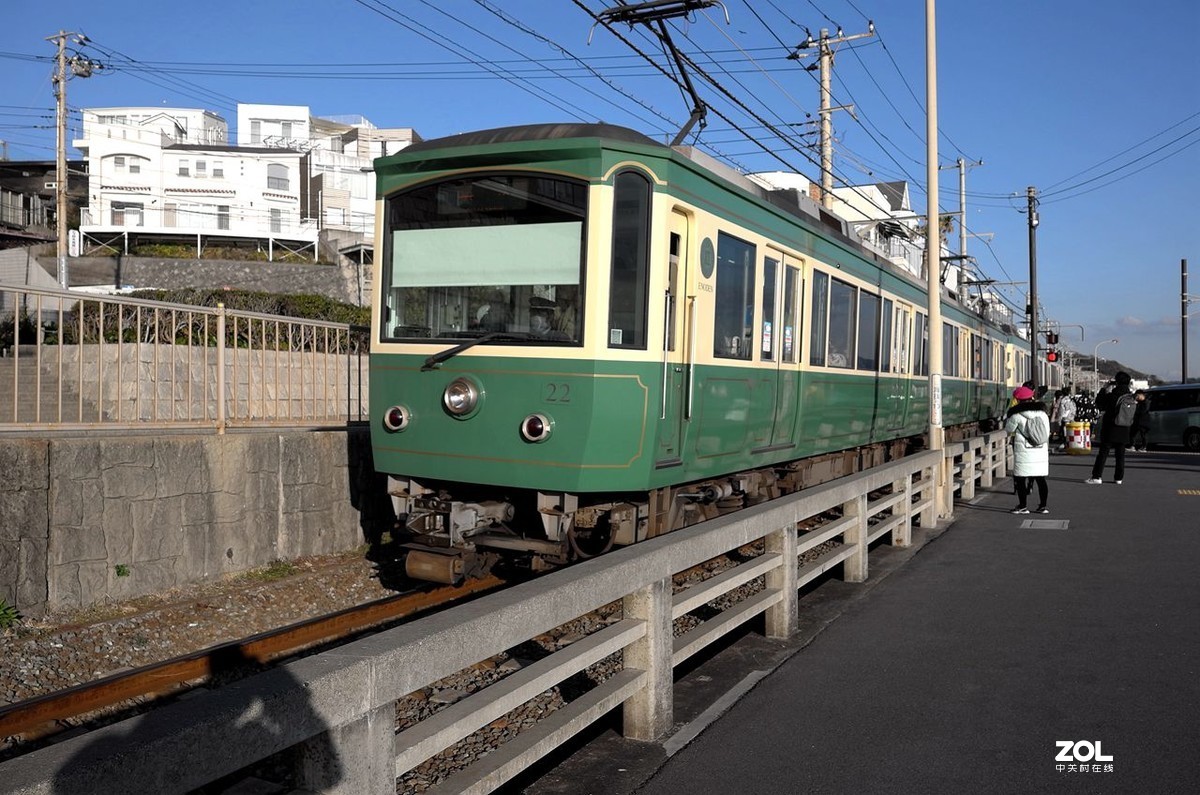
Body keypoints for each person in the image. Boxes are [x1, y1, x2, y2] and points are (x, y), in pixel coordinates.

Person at [1004, 385, 1051, 514]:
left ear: (1018, 400)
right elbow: (1046, 432)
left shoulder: (1016, 416)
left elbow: (1008, 430)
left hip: (1024, 452)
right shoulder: (1043, 414)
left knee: (1020, 480)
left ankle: (1023, 506)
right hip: (1040, 450)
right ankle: (1043, 506)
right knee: (1041, 480)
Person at [1085, 371, 1134, 484]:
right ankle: (1118, 478)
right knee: (1120, 455)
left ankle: (1097, 477)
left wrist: (1104, 388)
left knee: (1103, 453)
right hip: (1124, 429)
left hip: (1111, 428)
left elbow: (1099, 404)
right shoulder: (1130, 397)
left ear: (1116, 382)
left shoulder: (1113, 395)